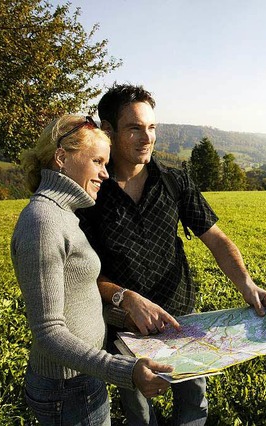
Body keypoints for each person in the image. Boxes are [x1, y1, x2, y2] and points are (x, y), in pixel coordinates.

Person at [76, 84, 266, 426]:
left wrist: (247, 284)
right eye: (135, 128)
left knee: (193, 403)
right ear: (107, 130)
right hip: (126, 329)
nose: (147, 138)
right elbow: (83, 274)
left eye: (152, 127)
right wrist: (126, 299)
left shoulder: (174, 182)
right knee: (140, 413)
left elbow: (215, 238)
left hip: (182, 319)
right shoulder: (91, 193)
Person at [11, 114, 174, 426]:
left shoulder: (64, 214)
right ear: (61, 157)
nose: (105, 174)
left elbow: (78, 299)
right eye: (98, 162)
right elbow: (47, 332)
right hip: (68, 389)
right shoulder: (44, 221)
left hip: (81, 379)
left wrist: (127, 313)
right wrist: (125, 371)